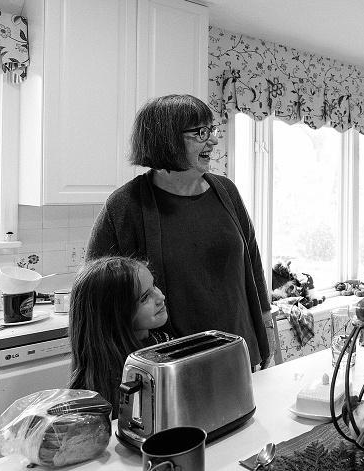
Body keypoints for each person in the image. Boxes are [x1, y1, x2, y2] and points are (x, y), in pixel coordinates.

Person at [86, 94, 275, 370]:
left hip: (240, 356)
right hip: (173, 369)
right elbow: (97, 298)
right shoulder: (126, 206)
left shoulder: (226, 191)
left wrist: (267, 335)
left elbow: (253, 266)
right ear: (167, 141)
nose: (212, 140)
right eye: (200, 133)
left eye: (211, 129)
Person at [68, 256, 174, 418]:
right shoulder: (111, 374)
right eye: (145, 297)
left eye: (154, 285)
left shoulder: (164, 340)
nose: (160, 297)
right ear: (116, 314)